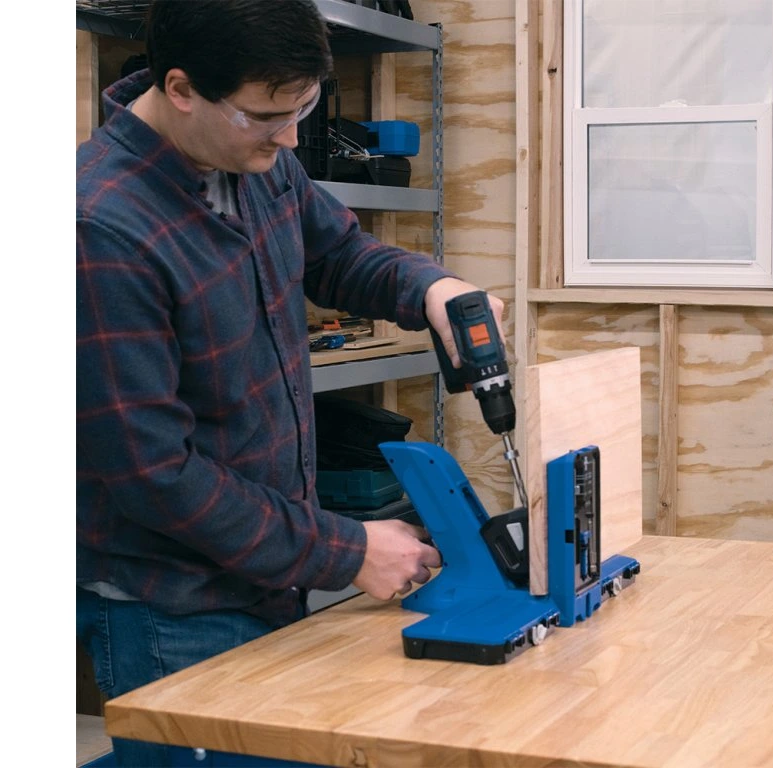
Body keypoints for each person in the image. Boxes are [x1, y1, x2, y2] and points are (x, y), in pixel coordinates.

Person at [76, 1, 504, 764]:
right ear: (181, 89)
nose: (292, 138)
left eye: (302, 110)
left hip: (269, 573)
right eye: (269, 116)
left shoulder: (252, 157)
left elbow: (337, 254)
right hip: (174, 608)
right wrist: (346, 550)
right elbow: (155, 474)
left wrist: (432, 290)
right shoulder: (100, 229)